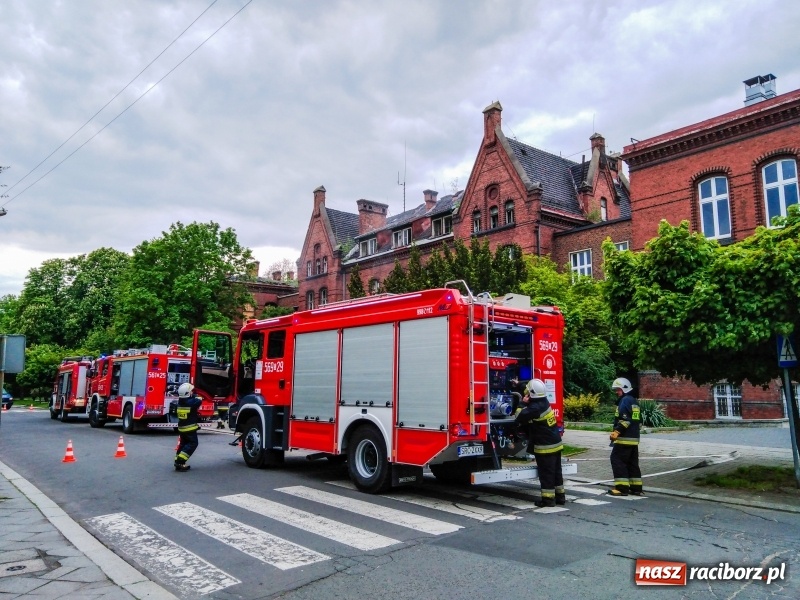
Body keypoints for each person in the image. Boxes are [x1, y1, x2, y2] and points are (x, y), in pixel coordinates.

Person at [514, 378, 565, 507]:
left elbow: (518, 417)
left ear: (531, 394)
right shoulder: (543, 401)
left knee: (546, 473)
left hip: (545, 446)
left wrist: (521, 403)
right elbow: (531, 387)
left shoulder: (534, 408)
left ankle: (548, 500)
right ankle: (560, 497)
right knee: (556, 472)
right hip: (556, 443)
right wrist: (518, 384)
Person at [609, 376, 643, 496]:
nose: (617, 392)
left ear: (624, 389)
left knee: (617, 460)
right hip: (633, 439)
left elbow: (625, 419)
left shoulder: (625, 400)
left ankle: (622, 488)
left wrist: (617, 432)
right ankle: (636, 487)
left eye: (618, 390)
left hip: (624, 438)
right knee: (632, 463)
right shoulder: (634, 401)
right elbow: (637, 420)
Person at [174, 382, 202, 472]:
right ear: (187, 393)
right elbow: (199, 400)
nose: (192, 392)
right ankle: (180, 460)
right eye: (191, 391)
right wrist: (194, 395)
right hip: (189, 428)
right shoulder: (191, 402)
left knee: (183, 444)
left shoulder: (180, 402)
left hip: (182, 428)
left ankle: (177, 461)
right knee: (193, 444)